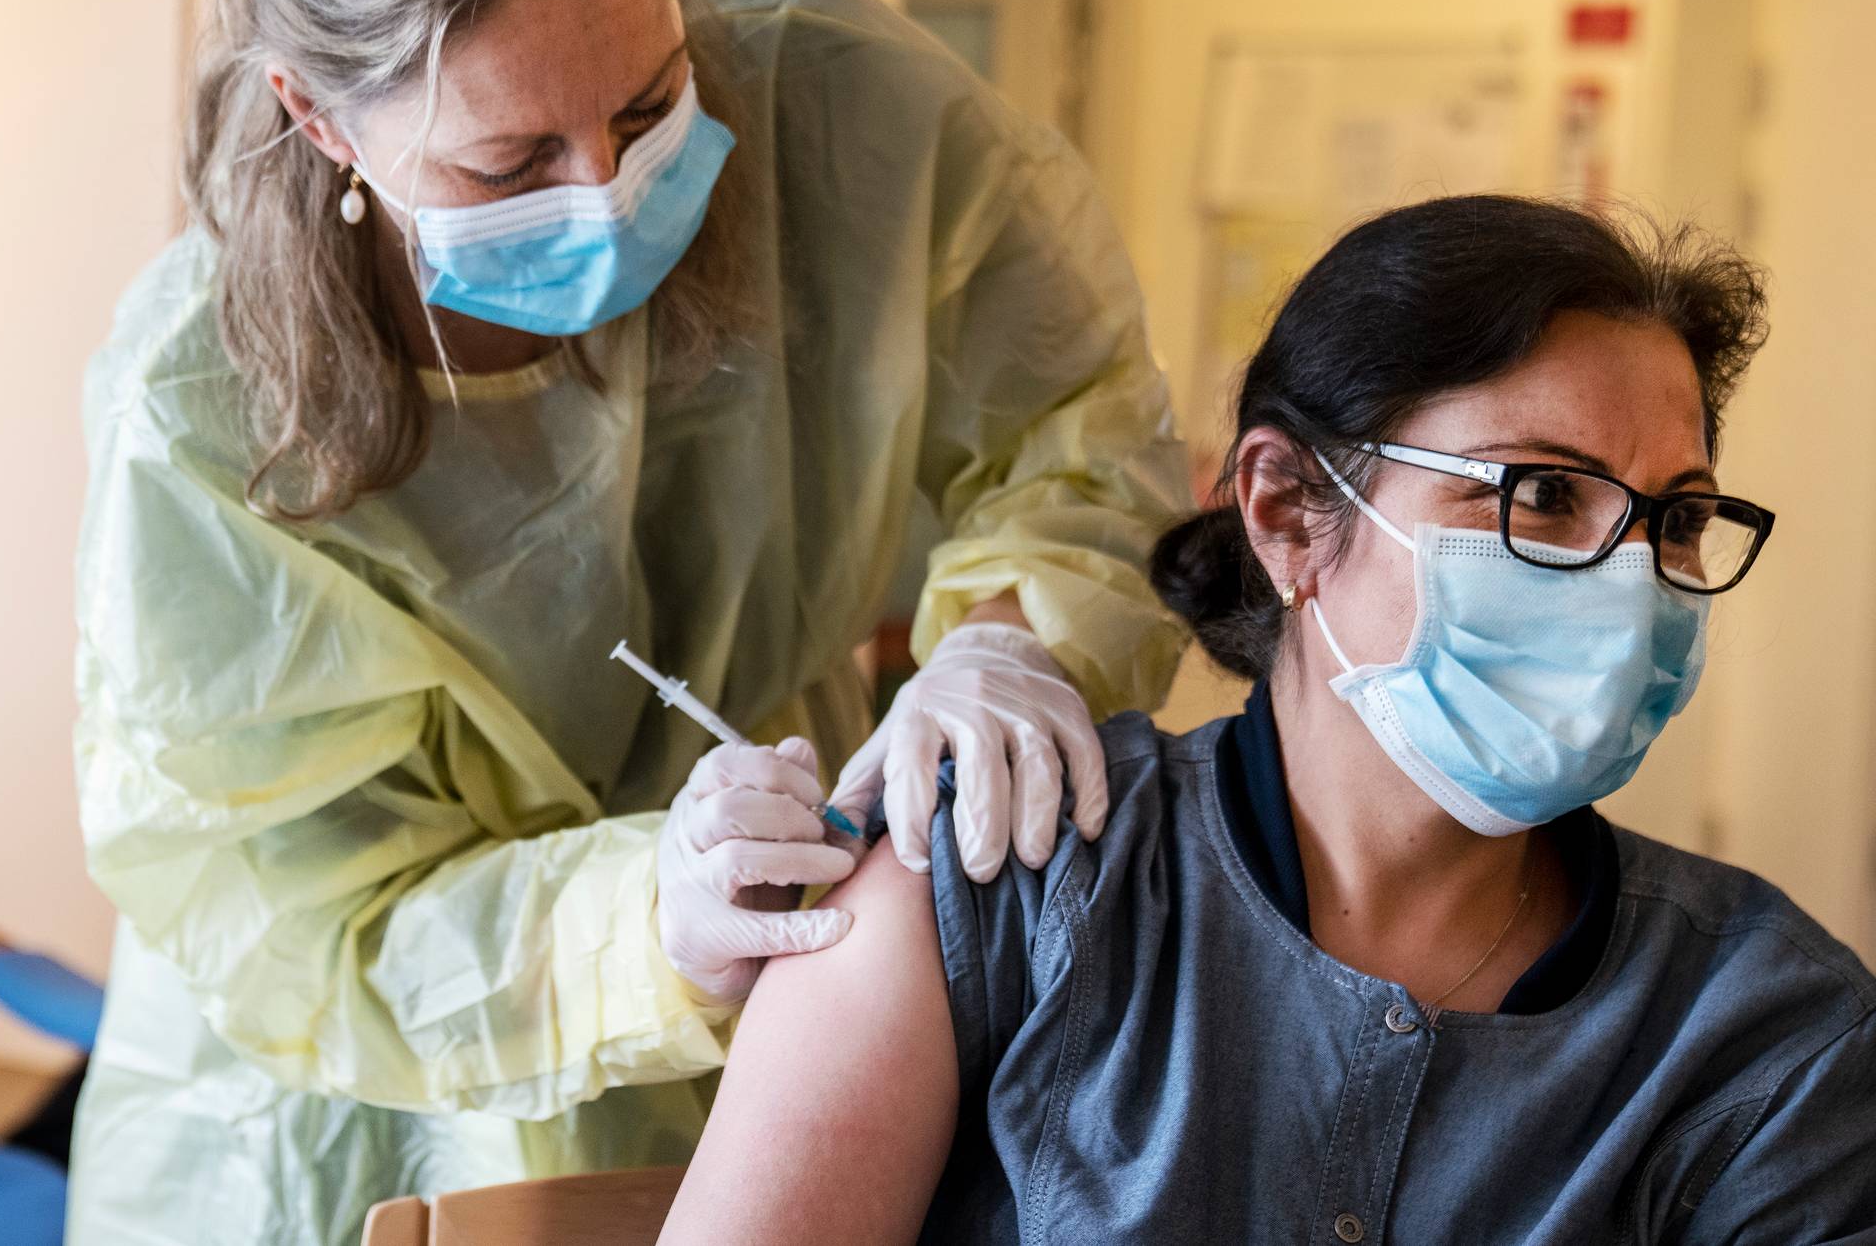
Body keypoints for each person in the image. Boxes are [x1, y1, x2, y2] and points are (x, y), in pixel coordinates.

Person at [65, 0, 1193, 1245]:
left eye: (651, 103)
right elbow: (322, 929)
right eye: (509, 162)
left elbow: (1081, 428)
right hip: (350, 1102)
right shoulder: (199, 414)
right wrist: (637, 925)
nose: (607, 192)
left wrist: (1010, 639)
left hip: (798, 1008)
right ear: (314, 117)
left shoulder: (841, 108)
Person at [663, 195, 1876, 1245]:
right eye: (1539, 494)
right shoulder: (992, 875)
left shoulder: (1765, 1030)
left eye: (1673, 521)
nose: (1623, 581)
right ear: (1289, 510)